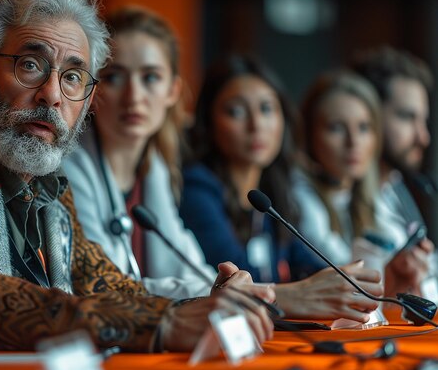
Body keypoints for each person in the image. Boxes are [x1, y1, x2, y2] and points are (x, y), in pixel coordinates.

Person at [0, 0, 273, 360]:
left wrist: (206, 305)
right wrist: (162, 322)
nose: (52, 95)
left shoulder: (48, 184)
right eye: (30, 65)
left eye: (73, 76)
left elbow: (106, 287)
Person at [180, 56, 383, 322]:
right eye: (236, 112)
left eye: (266, 109)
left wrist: (350, 284)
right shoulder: (197, 187)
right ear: (209, 122)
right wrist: (297, 293)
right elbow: (239, 282)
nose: (256, 125)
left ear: (282, 119)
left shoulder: (272, 191)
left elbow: (310, 267)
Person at [63, 6, 219, 299]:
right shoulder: (67, 165)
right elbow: (101, 288)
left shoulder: (155, 168)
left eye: (150, 78)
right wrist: (221, 293)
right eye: (114, 77)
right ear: (91, 87)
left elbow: (191, 269)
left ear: (173, 91)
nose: (133, 97)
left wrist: (237, 288)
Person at [292, 69, 428, 297]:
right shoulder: (296, 196)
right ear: (308, 134)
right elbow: (349, 281)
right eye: (336, 128)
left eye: (364, 128)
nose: (353, 142)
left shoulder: (373, 193)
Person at [351, 47, 435, 296]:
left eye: (424, 121)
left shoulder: (396, 187)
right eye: (407, 117)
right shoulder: (339, 194)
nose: (423, 137)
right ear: (370, 113)